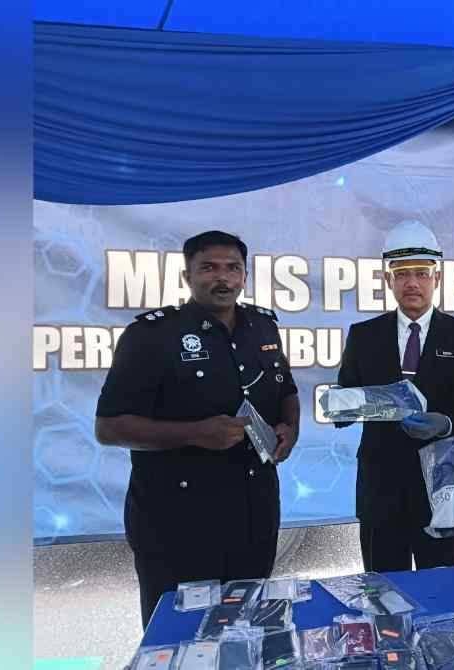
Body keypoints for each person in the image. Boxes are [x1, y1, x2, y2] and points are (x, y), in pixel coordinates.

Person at [94, 230, 299, 628]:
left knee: (246, 630)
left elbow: (286, 389)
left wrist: (290, 428)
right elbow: (109, 427)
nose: (222, 277)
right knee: (180, 636)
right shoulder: (152, 335)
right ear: (187, 276)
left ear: (244, 276)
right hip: (177, 521)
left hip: (254, 514)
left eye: (233, 268)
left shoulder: (262, 327)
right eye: (209, 268)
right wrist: (195, 433)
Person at [336, 220, 454, 572]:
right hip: (380, 488)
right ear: (388, 279)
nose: (412, 283)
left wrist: (446, 423)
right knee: (383, 588)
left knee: (441, 586)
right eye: (402, 274)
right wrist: (342, 406)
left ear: (437, 278)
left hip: (440, 488)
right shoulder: (364, 336)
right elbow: (346, 401)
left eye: (421, 273)